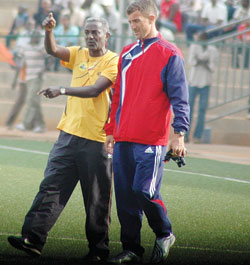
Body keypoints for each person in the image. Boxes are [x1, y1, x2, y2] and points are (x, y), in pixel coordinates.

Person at [7, 14, 119, 263]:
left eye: (95, 33)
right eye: (87, 32)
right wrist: (48, 31)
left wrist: (62, 89)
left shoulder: (114, 61)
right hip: (68, 136)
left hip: (98, 140)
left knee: (97, 199)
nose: (90, 37)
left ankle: (98, 251)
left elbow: (95, 90)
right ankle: (33, 239)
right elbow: (53, 49)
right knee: (51, 187)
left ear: (107, 36)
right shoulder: (79, 53)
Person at [104, 0, 190, 264]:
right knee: (125, 199)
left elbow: (180, 98)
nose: (133, 27)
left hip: (151, 140)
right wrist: (110, 129)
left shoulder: (170, 53)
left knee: (144, 191)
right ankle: (131, 249)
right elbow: (117, 96)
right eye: (130, 22)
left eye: (137, 21)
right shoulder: (127, 53)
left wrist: (180, 134)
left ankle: (164, 233)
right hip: (123, 139)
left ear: (152, 18)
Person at [185, 31, 218, 143]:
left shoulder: (212, 50)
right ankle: (185, 135)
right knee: (189, 108)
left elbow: (213, 66)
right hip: (194, 81)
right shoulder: (194, 47)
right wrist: (200, 61)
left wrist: (205, 62)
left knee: (202, 110)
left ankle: (197, 136)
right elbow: (191, 61)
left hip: (205, 82)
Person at [14, 29, 47, 133]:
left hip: (37, 77)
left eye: (38, 36)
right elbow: (19, 60)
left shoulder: (41, 48)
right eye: (35, 36)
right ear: (31, 37)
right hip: (28, 77)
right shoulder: (25, 48)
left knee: (30, 99)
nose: (36, 38)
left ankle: (26, 124)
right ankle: (40, 125)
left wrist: (43, 69)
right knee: (34, 101)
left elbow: (49, 56)